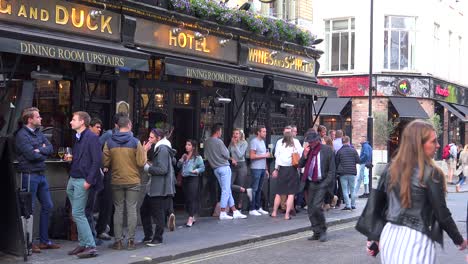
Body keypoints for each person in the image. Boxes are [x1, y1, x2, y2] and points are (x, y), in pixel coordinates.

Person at [369, 120, 466, 263]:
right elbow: (442, 213)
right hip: (416, 239)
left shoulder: (391, 168)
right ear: (419, 145)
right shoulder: (431, 173)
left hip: (389, 236)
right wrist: (459, 240)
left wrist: (374, 237)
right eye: (433, 141)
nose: (438, 145)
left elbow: (378, 204)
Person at [15, 107, 60, 253]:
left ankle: (44, 240)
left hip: (41, 174)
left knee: (48, 205)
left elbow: (51, 148)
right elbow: (31, 156)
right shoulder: (22, 135)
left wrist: (39, 150)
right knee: (29, 209)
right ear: (30, 119)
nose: (41, 119)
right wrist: (42, 150)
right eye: (38, 117)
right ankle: (29, 242)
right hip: (28, 174)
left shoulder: (39, 133)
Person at [103, 116, 146, 250]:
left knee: (119, 210)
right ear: (129, 125)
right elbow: (141, 162)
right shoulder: (135, 142)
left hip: (116, 180)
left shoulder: (109, 142)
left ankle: (118, 241)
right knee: (132, 209)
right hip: (133, 180)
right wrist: (144, 152)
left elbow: (105, 162)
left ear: (117, 126)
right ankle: (131, 241)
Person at [67, 111, 102, 258]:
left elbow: (96, 161)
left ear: (82, 122)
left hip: (83, 179)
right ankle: (83, 243)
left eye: (73, 119)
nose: (71, 122)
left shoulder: (92, 137)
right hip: (73, 178)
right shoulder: (78, 137)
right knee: (76, 212)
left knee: (78, 213)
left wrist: (89, 180)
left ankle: (90, 245)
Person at [141, 128, 177, 246]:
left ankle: (157, 238)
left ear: (159, 138)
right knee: (144, 210)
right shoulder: (161, 147)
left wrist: (148, 168)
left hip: (159, 187)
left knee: (158, 213)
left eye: (152, 137)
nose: (149, 140)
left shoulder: (161, 149)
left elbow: (162, 169)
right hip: (157, 186)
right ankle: (149, 236)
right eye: (149, 137)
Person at [204, 123, 247, 220]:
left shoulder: (207, 142)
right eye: (221, 131)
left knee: (227, 189)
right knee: (225, 190)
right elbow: (227, 154)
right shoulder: (219, 142)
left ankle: (235, 211)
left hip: (215, 168)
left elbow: (206, 155)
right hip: (223, 167)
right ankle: (222, 212)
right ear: (218, 131)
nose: (221, 133)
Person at [299, 131, 335, 242]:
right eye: (309, 142)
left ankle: (323, 230)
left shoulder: (327, 150)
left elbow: (332, 170)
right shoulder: (308, 151)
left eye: (312, 141)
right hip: (310, 182)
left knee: (316, 207)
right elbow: (300, 165)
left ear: (317, 140)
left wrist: (325, 183)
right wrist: (304, 155)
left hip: (322, 183)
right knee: (310, 208)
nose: (310, 143)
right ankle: (316, 231)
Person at [271, 131, 303, 220]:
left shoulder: (280, 144)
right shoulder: (294, 145)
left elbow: (276, 157)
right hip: (292, 170)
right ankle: (287, 215)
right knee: (291, 194)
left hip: (282, 170)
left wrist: (276, 169)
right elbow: (300, 154)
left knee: (279, 192)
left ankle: (274, 212)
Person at [85, 117, 105, 246]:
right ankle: (91, 237)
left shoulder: (86, 138)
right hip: (90, 180)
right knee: (88, 210)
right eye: (97, 127)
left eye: (100, 127)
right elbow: (96, 160)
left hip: (90, 179)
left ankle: (90, 237)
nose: (99, 130)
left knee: (88, 210)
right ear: (90, 126)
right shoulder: (92, 140)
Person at [177, 139, 205, 227]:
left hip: (193, 179)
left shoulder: (197, 157)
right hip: (185, 178)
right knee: (187, 199)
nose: (186, 146)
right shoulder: (185, 156)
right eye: (186, 144)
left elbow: (202, 168)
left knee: (192, 198)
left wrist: (196, 170)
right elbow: (178, 166)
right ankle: (192, 216)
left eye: (189, 145)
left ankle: (190, 217)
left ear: (193, 147)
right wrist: (181, 160)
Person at [248, 126, 270, 216]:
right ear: (258, 132)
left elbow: (264, 157)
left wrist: (266, 169)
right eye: (263, 131)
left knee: (259, 189)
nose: (265, 133)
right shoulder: (254, 141)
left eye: (265, 131)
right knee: (254, 189)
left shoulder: (262, 142)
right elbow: (252, 156)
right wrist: (264, 155)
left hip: (262, 168)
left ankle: (258, 207)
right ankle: (252, 208)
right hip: (255, 168)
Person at [335, 136, 360, 210]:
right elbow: (358, 160)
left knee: (345, 190)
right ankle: (353, 204)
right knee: (352, 189)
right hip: (352, 172)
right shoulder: (353, 150)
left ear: (342, 142)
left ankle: (348, 205)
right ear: (349, 141)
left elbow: (336, 162)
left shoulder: (339, 151)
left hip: (343, 173)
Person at [228, 128, 250, 212]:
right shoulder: (232, 142)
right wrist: (231, 159)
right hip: (233, 165)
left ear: (240, 135)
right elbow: (227, 152)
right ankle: (232, 205)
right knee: (229, 184)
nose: (235, 135)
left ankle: (239, 207)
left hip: (241, 165)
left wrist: (235, 145)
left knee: (240, 184)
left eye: (237, 133)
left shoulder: (244, 143)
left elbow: (241, 155)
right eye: (234, 133)